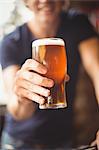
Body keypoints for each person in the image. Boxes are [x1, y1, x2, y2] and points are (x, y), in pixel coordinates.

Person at [0, 0, 99, 149]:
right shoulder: (11, 42)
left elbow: (97, 70)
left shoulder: (77, 24)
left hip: (62, 138)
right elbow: (17, 111)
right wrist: (23, 97)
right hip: (19, 142)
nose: (45, 0)